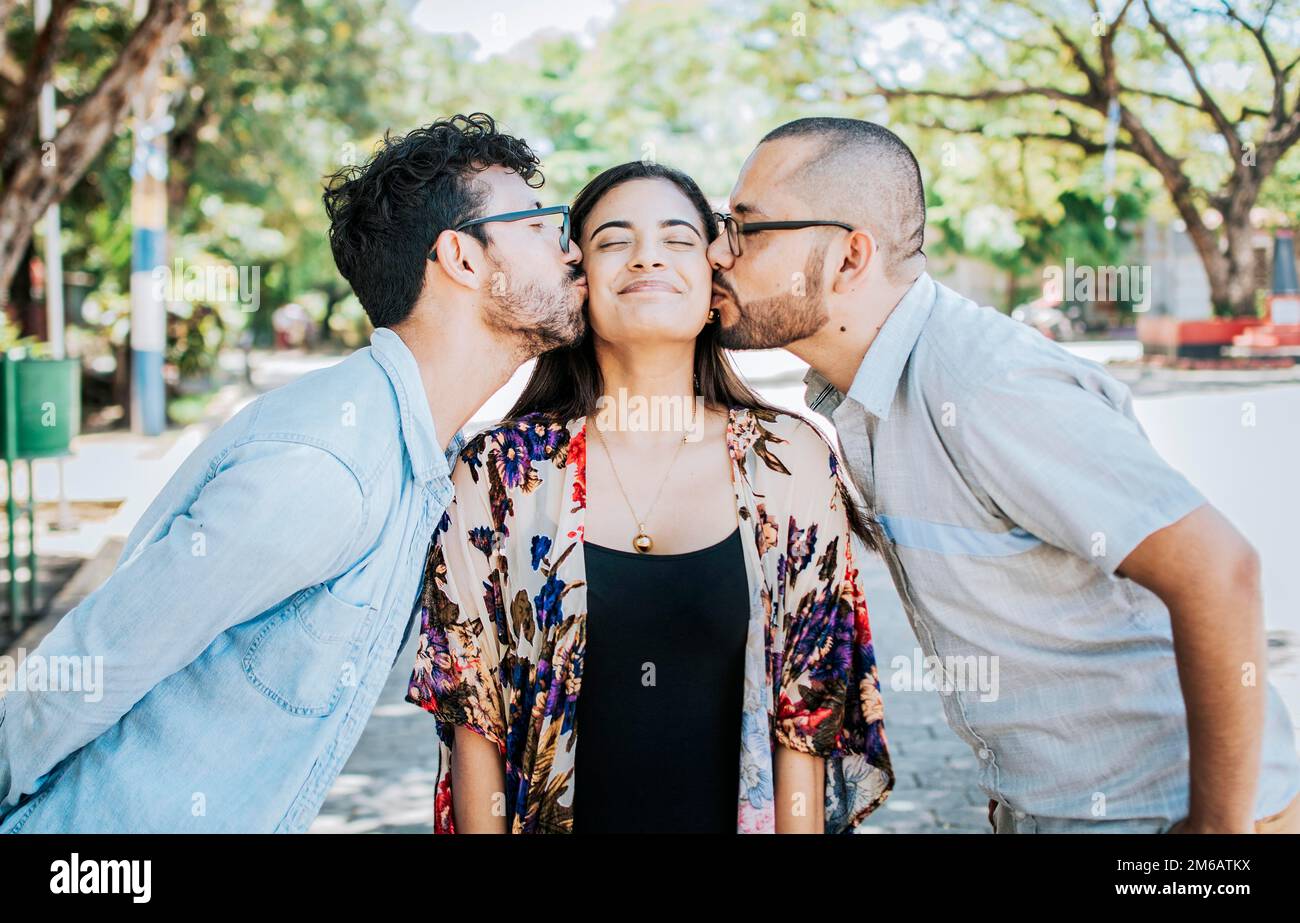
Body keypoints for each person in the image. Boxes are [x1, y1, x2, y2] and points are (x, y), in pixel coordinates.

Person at [707, 116, 1300, 834]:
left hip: (1167, 814)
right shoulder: (863, 389)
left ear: (848, 257)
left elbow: (1220, 569)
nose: (716, 252)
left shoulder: (983, 383)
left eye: (747, 228)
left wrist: (1212, 840)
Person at [0, 113, 586, 832]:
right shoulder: (332, 464)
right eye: (538, 224)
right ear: (462, 258)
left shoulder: (429, 458)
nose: (571, 248)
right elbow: (93, 661)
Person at [404, 161, 894, 833]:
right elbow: (472, 717)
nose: (646, 257)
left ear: (712, 278)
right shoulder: (502, 472)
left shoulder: (790, 460)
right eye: (612, 240)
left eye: (677, 238)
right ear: (580, 281)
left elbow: (806, 716)